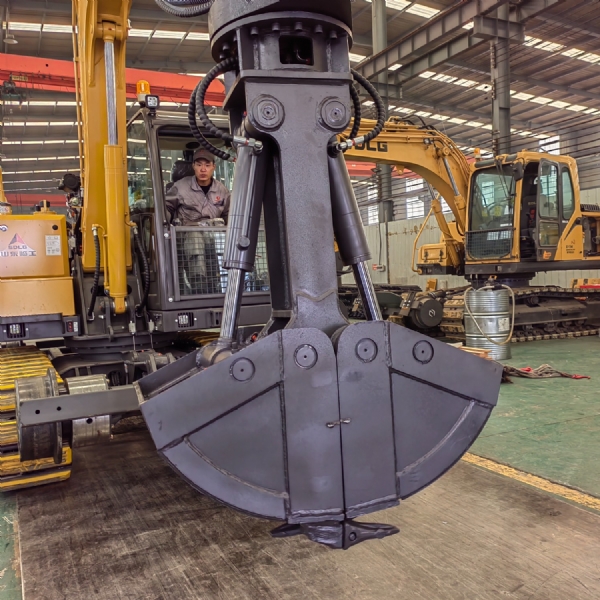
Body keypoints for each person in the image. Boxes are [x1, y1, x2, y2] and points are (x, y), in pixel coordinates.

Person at [166, 149, 232, 295]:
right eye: (199, 165)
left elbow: (229, 214)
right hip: (187, 233)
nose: (203, 169)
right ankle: (198, 283)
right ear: (193, 167)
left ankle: (226, 282)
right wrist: (165, 226)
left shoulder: (222, 190)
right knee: (195, 237)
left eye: (207, 165)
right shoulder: (180, 187)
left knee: (225, 238)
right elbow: (166, 207)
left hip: (214, 233)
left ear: (213, 167)